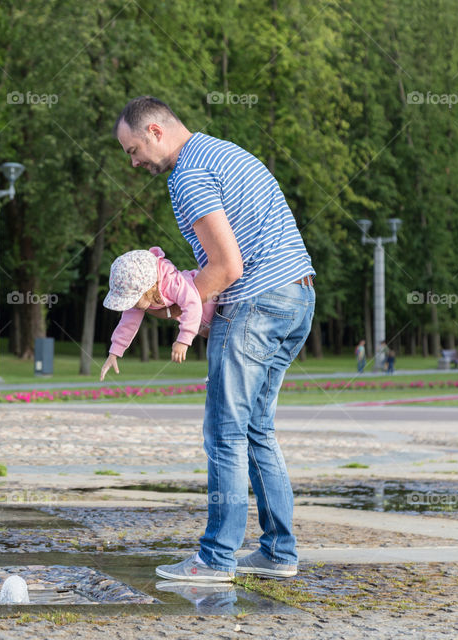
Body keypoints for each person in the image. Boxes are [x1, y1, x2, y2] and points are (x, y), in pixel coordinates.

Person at [114, 96, 315, 582]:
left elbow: (227, 268)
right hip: (297, 298)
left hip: (257, 305)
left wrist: (175, 303)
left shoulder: (189, 175)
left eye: (133, 149)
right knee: (256, 429)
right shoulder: (224, 152)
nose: (134, 161)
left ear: (156, 131)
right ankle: (277, 552)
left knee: (224, 432)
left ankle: (216, 558)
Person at [100, 246, 215, 380]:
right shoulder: (141, 297)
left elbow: (192, 304)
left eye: (134, 300)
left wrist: (183, 340)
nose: (133, 305)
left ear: (150, 287)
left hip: (217, 304)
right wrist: (114, 352)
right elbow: (127, 323)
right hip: (207, 323)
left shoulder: (173, 283)